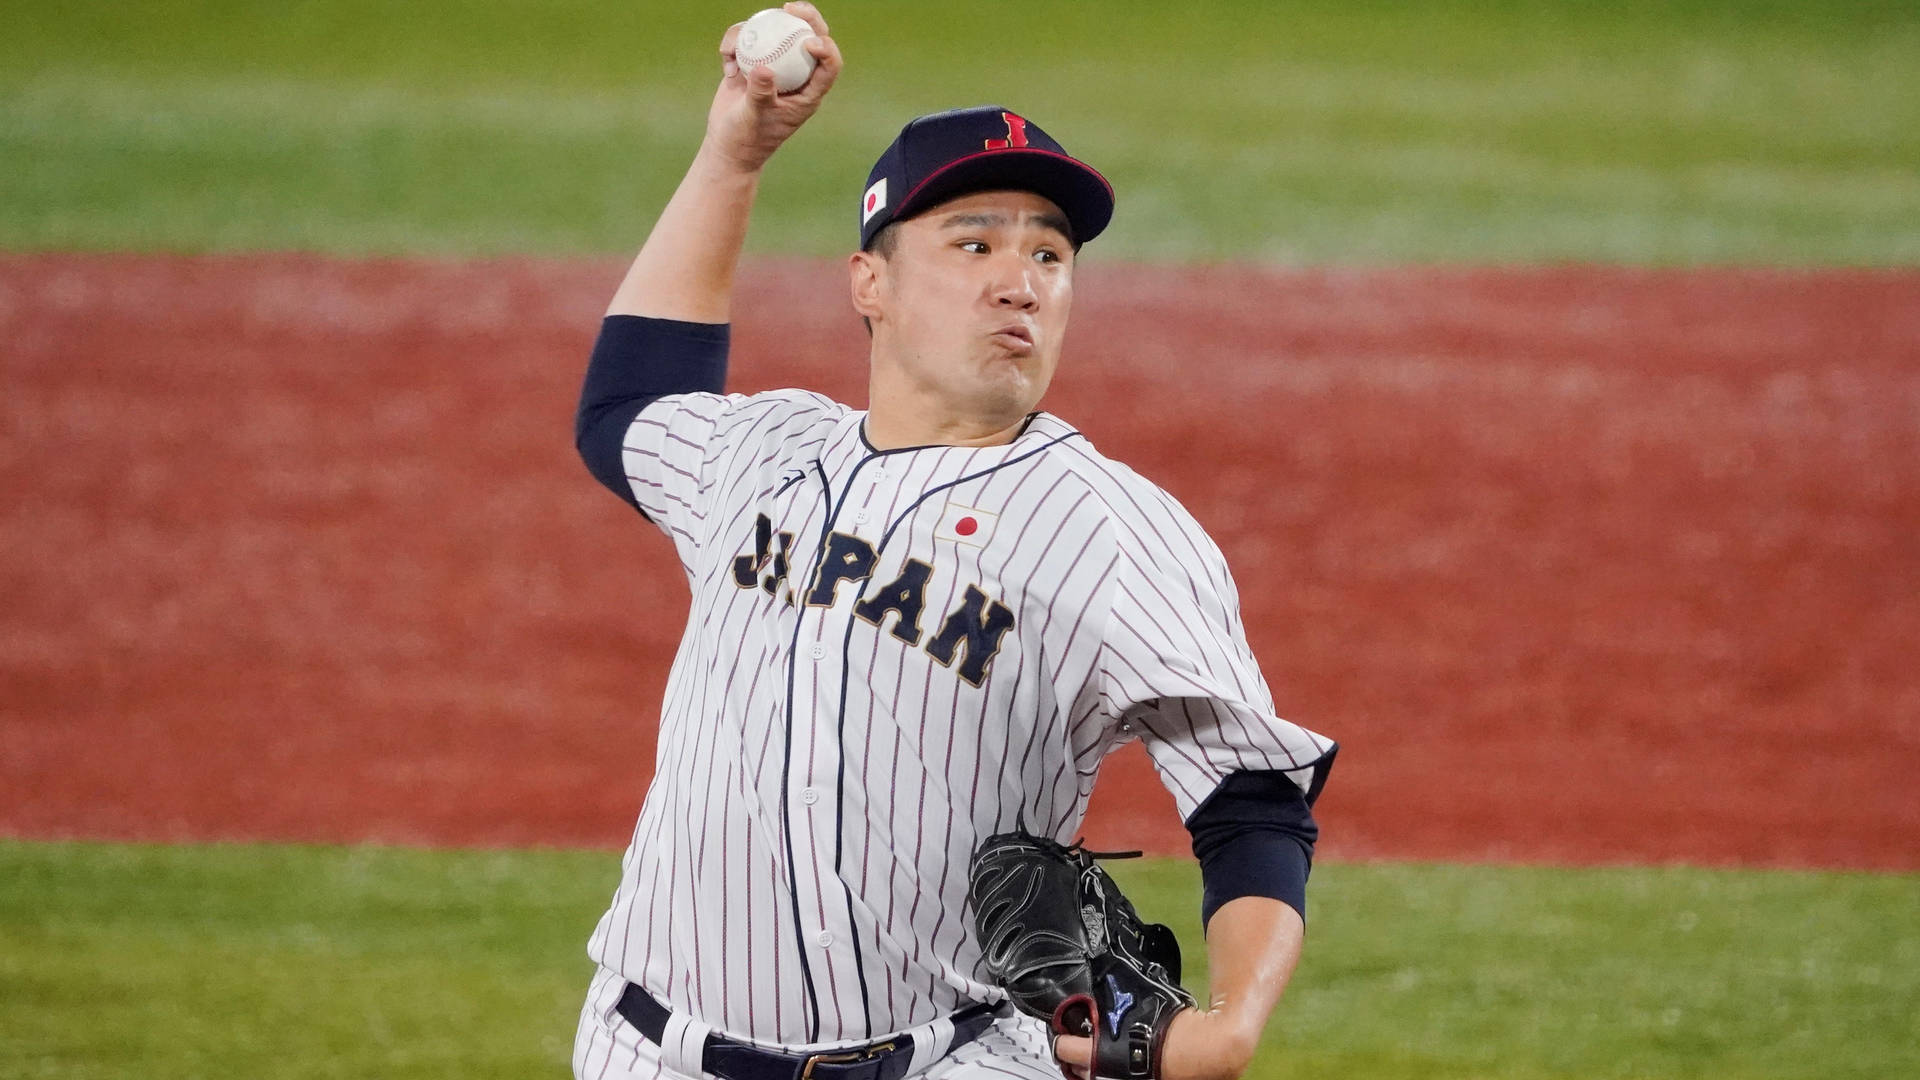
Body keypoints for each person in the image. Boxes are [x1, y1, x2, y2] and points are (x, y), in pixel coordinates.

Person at [568, 5, 1336, 1078]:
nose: (1020, 279)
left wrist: (1232, 1021)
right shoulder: (765, 451)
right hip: (648, 1050)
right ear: (869, 284)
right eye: (973, 242)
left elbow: (1251, 797)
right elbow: (625, 409)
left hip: (955, 1058)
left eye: (1050, 253)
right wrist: (735, 152)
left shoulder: (1110, 530)